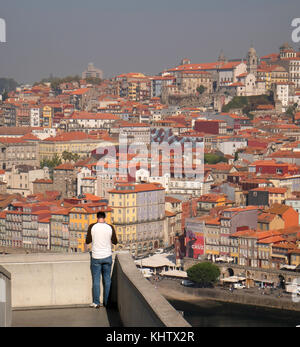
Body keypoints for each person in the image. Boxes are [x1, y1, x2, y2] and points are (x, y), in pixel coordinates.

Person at [86, 211, 118, 308]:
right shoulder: (110, 227)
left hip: (96, 257)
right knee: (107, 280)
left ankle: (96, 302)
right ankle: (107, 302)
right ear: (105, 218)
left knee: (96, 280)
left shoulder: (92, 227)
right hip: (107, 256)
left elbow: (87, 241)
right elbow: (115, 242)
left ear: (97, 217)